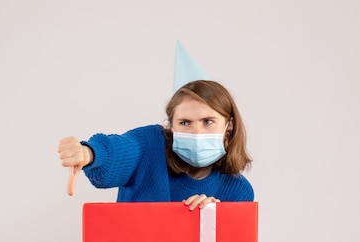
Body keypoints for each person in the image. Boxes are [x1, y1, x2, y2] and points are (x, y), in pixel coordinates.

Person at [57, 80, 253, 210]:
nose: (197, 133)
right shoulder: (151, 144)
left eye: (208, 121)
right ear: (171, 127)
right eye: (185, 122)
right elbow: (122, 149)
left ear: (229, 125)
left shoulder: (238, 191)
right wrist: (90, 153)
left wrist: (212, 221)